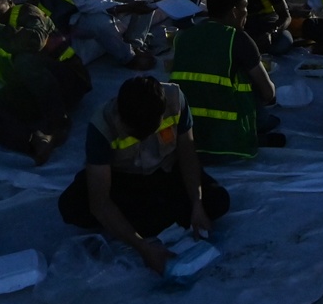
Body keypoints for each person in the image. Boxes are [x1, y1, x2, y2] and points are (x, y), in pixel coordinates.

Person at [57, 76, 230, 275]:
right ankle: (147, 221)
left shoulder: (175, 100)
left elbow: (188, 155)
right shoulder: (102, 125)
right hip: (124, 180)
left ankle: (146, 218)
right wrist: (143, 248)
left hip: (165, 171)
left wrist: (197, 203)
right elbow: (100, 201)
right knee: (72, 207)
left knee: (217, 201)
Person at [0, 0, 92, 163]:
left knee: (24, 59)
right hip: (30, 89)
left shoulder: (28, 12)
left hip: (68, 81)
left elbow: (34, 42)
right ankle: (32, 140)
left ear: (9, 2)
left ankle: (58, 123)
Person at [170, 0, 284, 160]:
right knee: (265, 112)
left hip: (189, 134)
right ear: (233, 12)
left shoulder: (183, 37)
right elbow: (269, 93)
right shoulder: (237, 39)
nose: (247, 14)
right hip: (230, 140)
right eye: (244, 8)